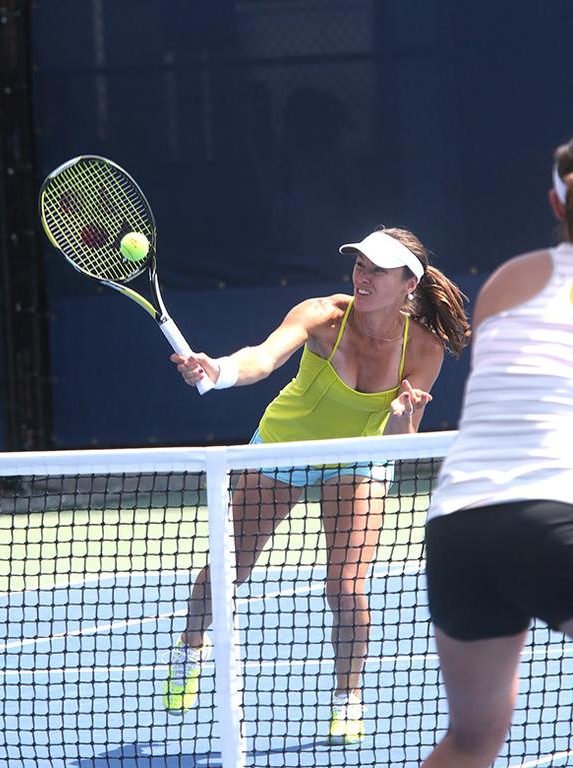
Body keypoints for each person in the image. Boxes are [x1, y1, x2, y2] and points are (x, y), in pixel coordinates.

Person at [165, 226, 470, 744]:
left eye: (378, 269)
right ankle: (189, 649)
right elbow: (263, 358)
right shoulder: (322, 315)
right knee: (229, 568)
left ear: (408, 284)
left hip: (361, 458)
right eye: (360, 265)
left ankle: (347, 699)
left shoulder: (424, 346)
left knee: (347, 590)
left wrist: (401, 418)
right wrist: (217, 371)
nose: (363, 276)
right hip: (286, 445)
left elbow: (402, 442)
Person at [421, 137, 573, 768]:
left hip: (458, 531)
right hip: (550, 518)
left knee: (472, 740)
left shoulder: (508, 281)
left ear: (555, 204)